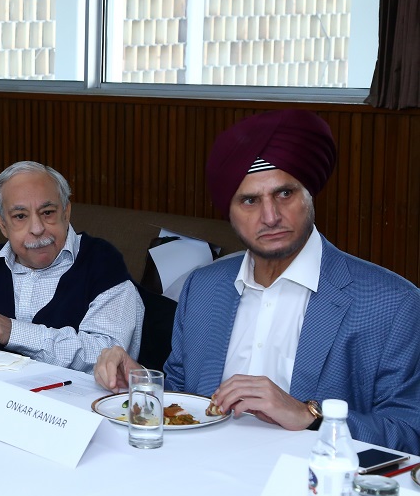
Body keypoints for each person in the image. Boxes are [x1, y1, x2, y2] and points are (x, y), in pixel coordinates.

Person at [94, 109, 420, 453]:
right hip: (199, 468)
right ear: (229, 213)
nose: (270, 216)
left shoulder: (391, 302)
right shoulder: (203, 287)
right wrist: (141, 384)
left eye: (284, 194)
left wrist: (309, 415)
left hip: (310, 477)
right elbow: (184, 395)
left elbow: (409, 433)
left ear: (309, 195)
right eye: (250, 200)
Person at [0, 161, 144, 372]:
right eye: (20, 216)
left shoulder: (103, 264)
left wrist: (14, 332)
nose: (37, 228)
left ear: (66, 213)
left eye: (47, 212)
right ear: (2, 224)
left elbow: (106, 355)